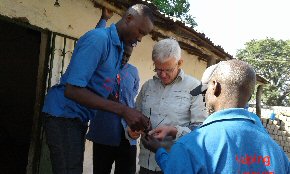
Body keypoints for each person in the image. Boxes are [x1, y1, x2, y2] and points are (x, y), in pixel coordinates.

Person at [42, 4, 154, 174]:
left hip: (77, 118)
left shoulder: (119, 49)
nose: (140, 38)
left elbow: (102, 89)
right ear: (129, 18)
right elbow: (72, 90)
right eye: (140, 31)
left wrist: (132, 114)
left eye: (144, 35)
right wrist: (123, 110)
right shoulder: (98, 40)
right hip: (63, 115)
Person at [142, 60, 290, 174]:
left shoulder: (191, 146)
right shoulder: (278, 154)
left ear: (214, 86)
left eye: (204, 92)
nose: (203, 99)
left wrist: (160, 152)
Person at [132, 38, 207, 173]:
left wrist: (174, 131)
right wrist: (132, 131)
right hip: (146, 165)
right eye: (158, 69)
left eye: (168, 69)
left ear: (180, 63)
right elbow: (135, 117)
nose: (163, 75)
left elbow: (201, 130)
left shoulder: (195, 87)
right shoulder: (147, 87)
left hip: (175, 166)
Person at [86, 8, 138, 174]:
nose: (124, 58)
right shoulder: (104, 64)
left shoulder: (133, 72)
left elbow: (133, 93)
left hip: (128, 135)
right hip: (104, 131)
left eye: (128, 56)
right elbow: (97, 39)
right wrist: (104, 18)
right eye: (123, 54)